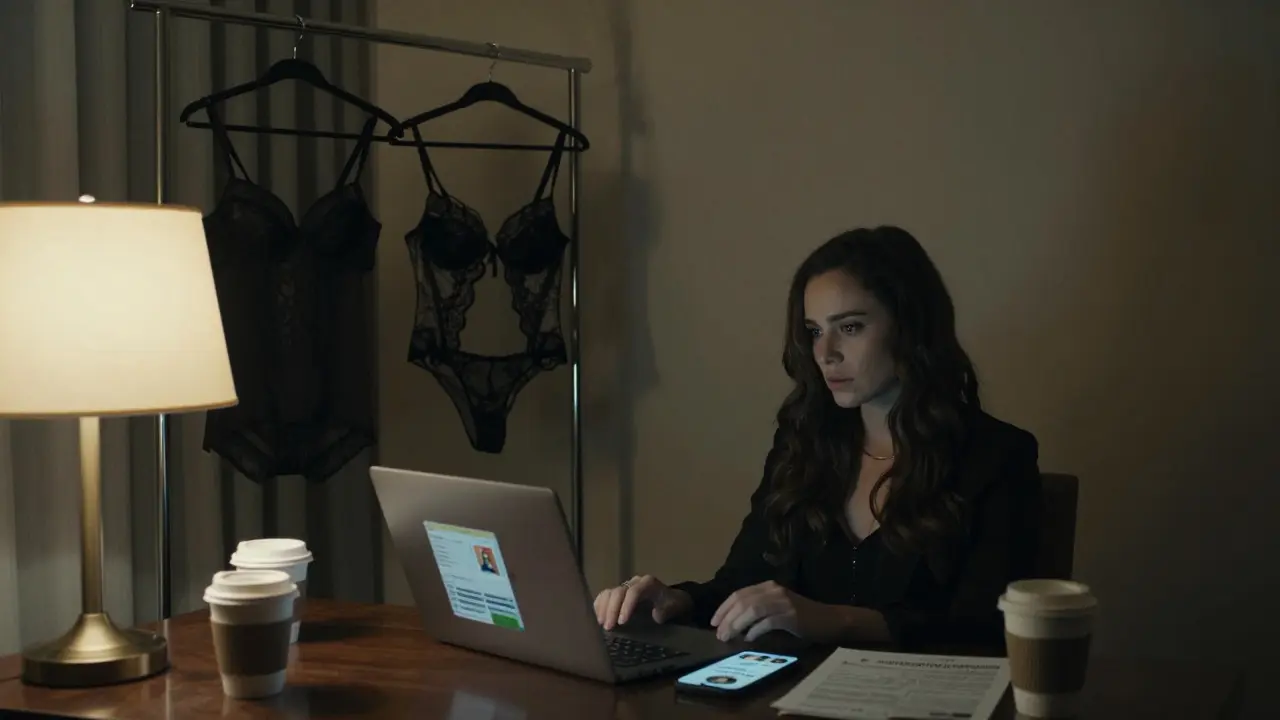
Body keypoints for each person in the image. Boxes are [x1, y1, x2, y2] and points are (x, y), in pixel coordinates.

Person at [593, 225, 1043, 652]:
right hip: (789, 699)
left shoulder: (996, 457)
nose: (825, 354)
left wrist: (832, 618)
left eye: (850, 327)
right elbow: (743, 583)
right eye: (814, 332)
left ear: (911, 326)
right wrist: (674, 601)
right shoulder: (804, 444)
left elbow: (986, 628)